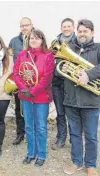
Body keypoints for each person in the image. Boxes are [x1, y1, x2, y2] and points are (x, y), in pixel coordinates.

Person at [63, 19, 100, 176]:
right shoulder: (69, 48)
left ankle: (90, 164)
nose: (82, 34)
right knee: (75, 134)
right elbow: (58, 66)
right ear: (76, 32)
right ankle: (76, 162)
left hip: (90, 101)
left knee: (91, 135)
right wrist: (63, 67)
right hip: (71, 100)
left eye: (86, 31)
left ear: (92, 33)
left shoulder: (98, 48)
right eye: (80, 31)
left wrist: (88, 74)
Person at [13, 29, 55, 167]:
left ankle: (41, 155)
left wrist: (33, 90)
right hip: (25, 96)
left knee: (41, 127)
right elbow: (16, 73)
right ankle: (31, 153)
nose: (34, 40)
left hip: (41, 96)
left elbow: (47, 77)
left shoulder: (48, 55)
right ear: (28, 40)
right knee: (29, 126)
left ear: (42, 40)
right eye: (31, 38)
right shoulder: (22, 54)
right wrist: (23, 88)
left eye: (37, 38)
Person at [51, 18, 76, 150]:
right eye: (64, 27)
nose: (66, 29)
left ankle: (74, 138)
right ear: (61, 28)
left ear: (73, 28)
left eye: (68, 26)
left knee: (71, 112)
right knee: (60, 112)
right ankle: (61, 138)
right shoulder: (55, 42)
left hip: (71, 82)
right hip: (56, 82)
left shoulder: (77, 43)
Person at [9, 17, 34, 145]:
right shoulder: (13, 41)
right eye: (22, 26)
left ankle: (33, 133)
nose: (24, 28)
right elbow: (9, 60)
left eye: (27, 25)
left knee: (34, 108)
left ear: (32, 25)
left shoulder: (37, 39)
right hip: (19, 81)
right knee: (19, 109)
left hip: (34, 82)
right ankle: (20, 133)